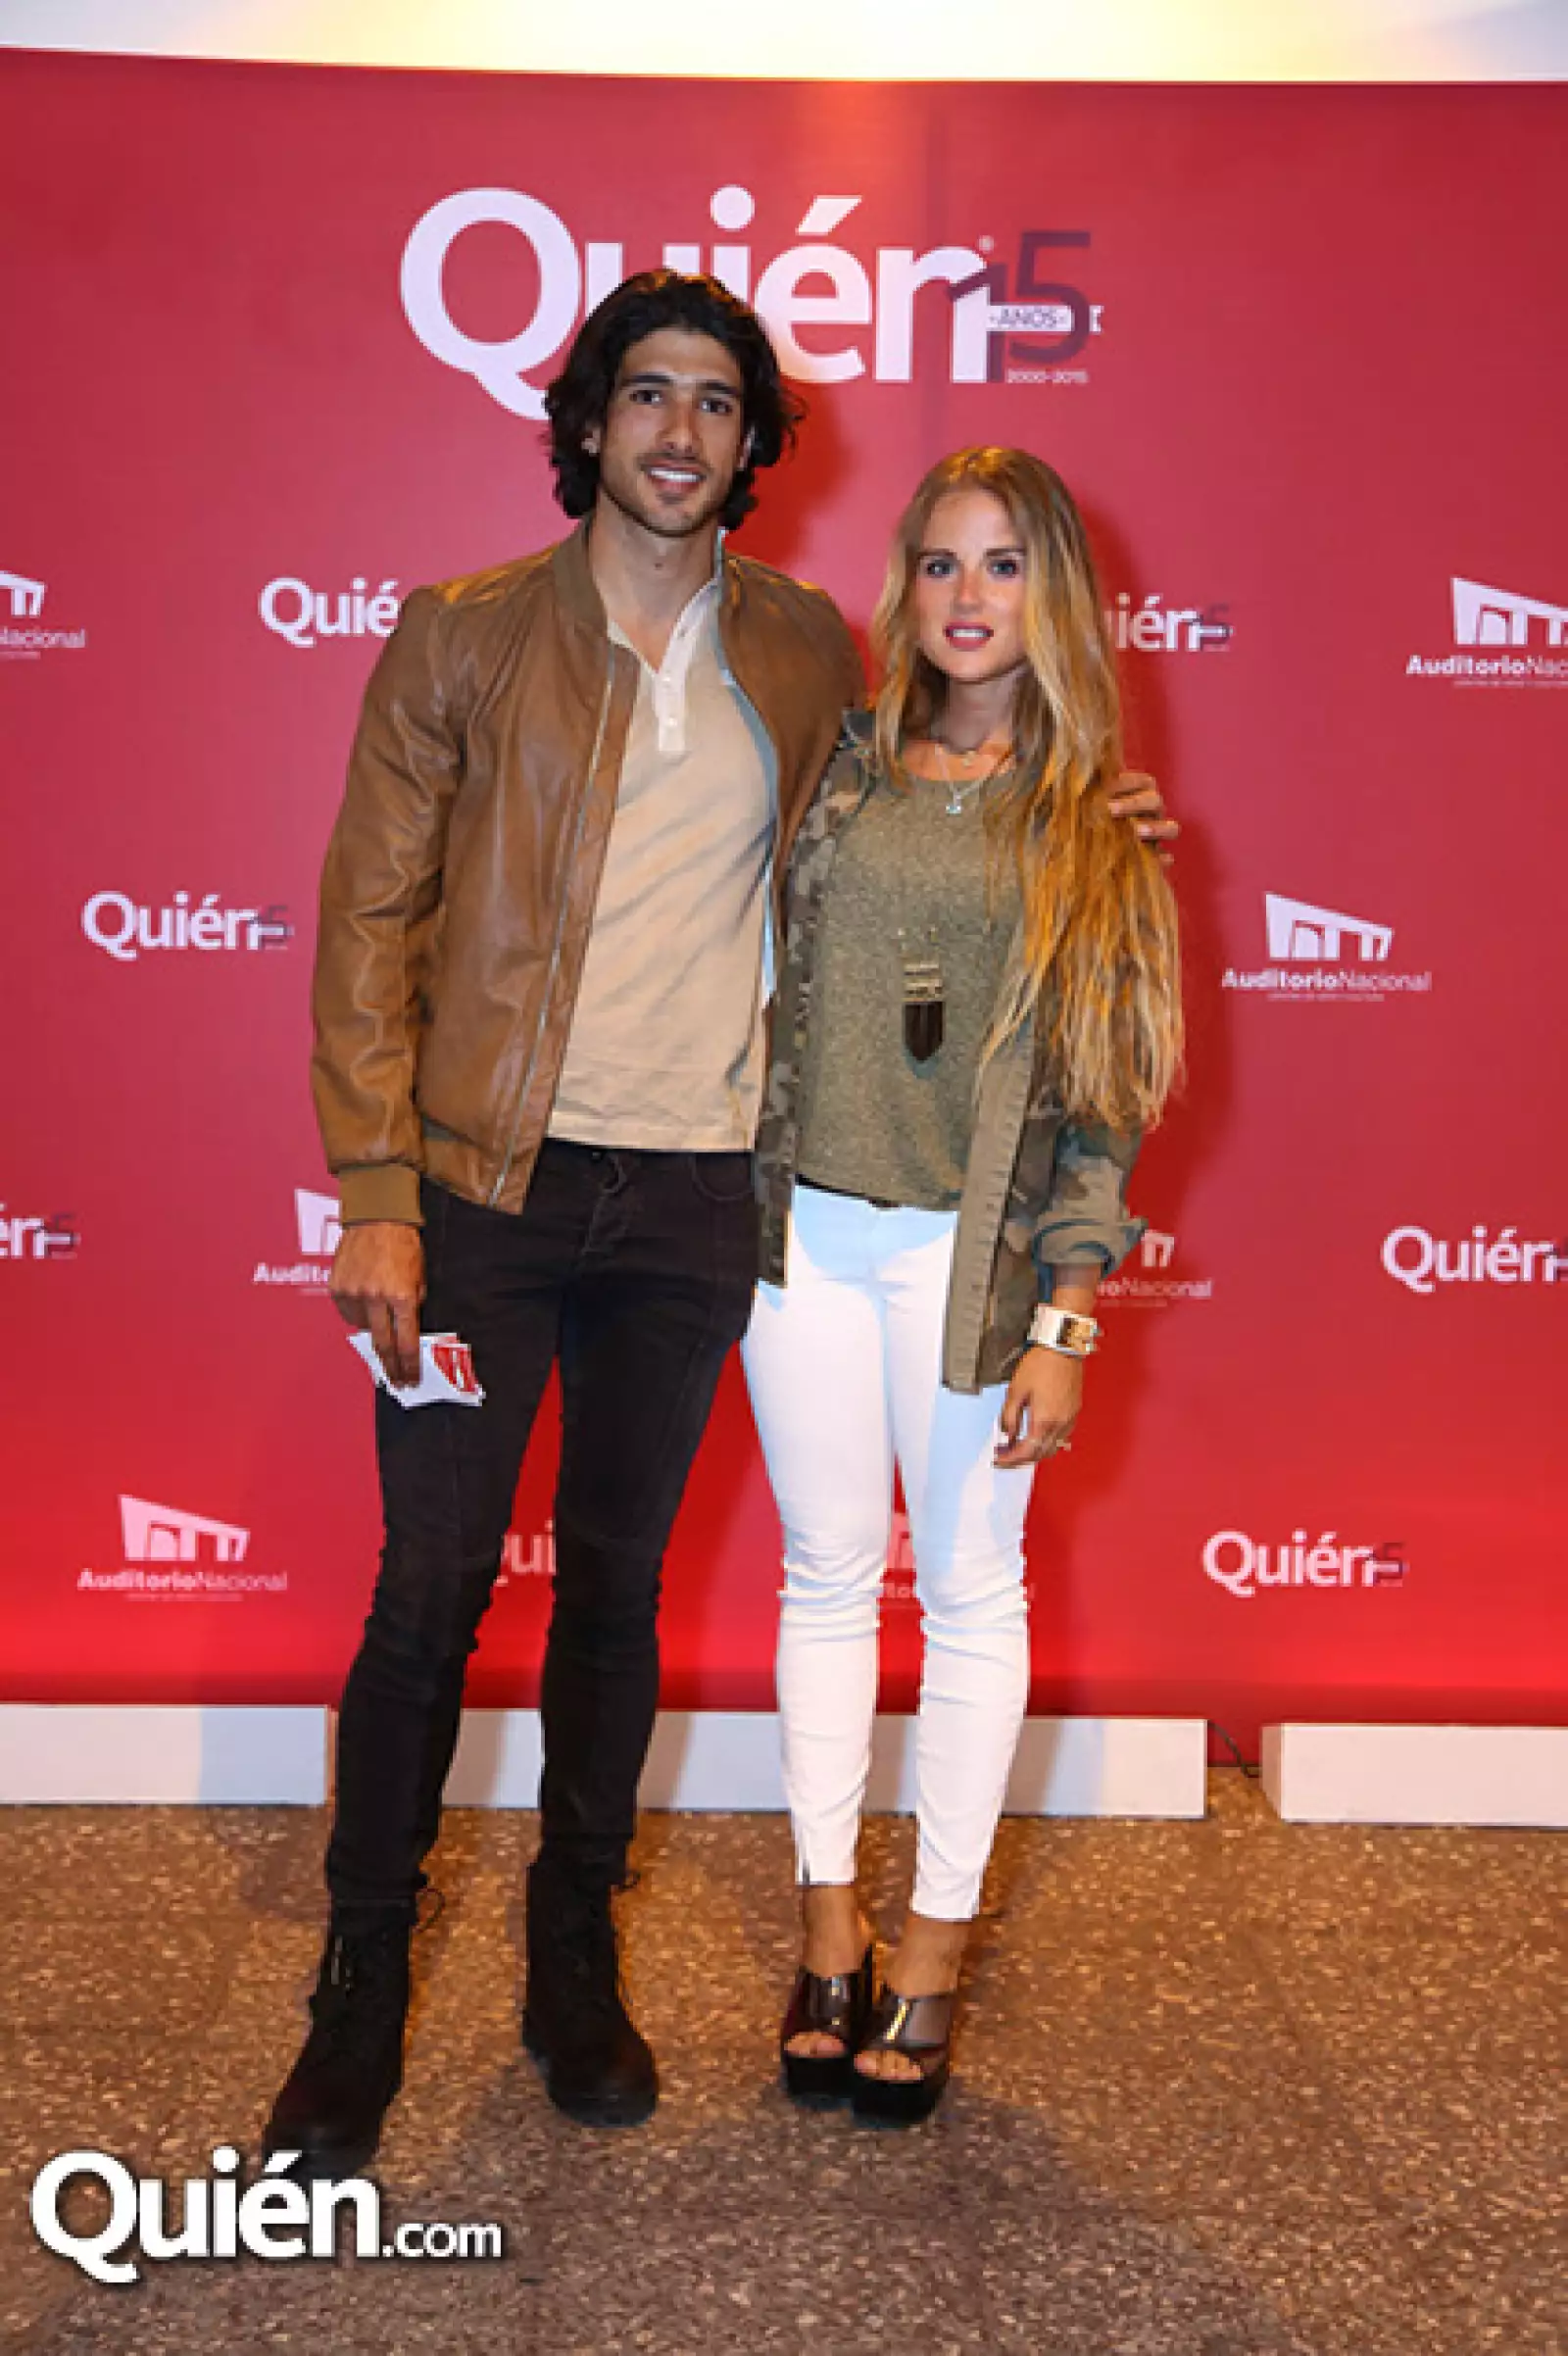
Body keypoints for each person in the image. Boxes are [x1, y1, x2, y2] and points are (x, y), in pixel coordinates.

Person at [265, 273, 1173, 2177]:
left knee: (614, 1590)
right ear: (588, 420)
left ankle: (569, 1967)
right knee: (425, 1592)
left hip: (696, 1205)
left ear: (755, 444)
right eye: (644, 395)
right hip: (482, 1192)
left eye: (715, 404)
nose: (678, 432)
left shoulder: (799, 649)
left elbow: (938, 842)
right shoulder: (461, 637)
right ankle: (353, 2002)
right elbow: (366, 922)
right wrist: (372, 1186)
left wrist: (1102, 826)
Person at [745, 445, 1183, 2123]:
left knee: (974, 1594)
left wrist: (1068, 1317)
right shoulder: (838, 768)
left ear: (1052, 591)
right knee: (827, 1574)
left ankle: (928, 1952)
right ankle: (827, 1926)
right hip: (802, 1241)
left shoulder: (1097, 820)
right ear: (903, 587)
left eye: (1003, 565)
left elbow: (1110, 1102)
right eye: (940, 563)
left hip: (971, 1259)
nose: (969, 597)